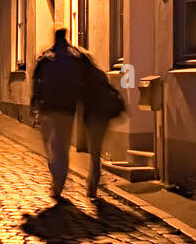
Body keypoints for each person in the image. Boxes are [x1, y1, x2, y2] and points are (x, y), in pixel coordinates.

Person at [30, 28, 83, 202]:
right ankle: (59, 184)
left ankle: (56, 179)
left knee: (51, 147)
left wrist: (34, 104)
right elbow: (81, 83)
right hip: (68, 110)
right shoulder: (74, 57)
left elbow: (36, 81)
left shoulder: (46, 57)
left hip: (48, 109)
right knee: (64, 148)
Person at [80, 53, 125, 203]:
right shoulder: (99, 74)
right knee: (96, 151)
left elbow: (83, 100)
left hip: (93, 118)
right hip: (104, 118)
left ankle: (92, 187)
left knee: (94, 153)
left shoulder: (84, 79)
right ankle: (93, 183)